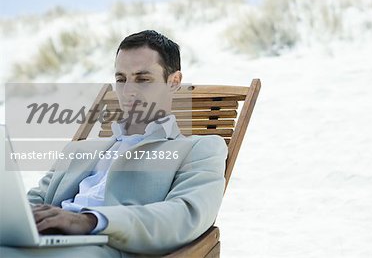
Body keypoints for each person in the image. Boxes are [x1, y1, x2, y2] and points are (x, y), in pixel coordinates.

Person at [1, 30, 227, 257]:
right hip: (46, 241)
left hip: (107, 247)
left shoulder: (199, 149)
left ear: (174, 82)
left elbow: (185, 215)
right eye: (121, 79)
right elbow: (31, 203)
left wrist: (89, 220)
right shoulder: (79, 149)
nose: (128, 91)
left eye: (143, 79)